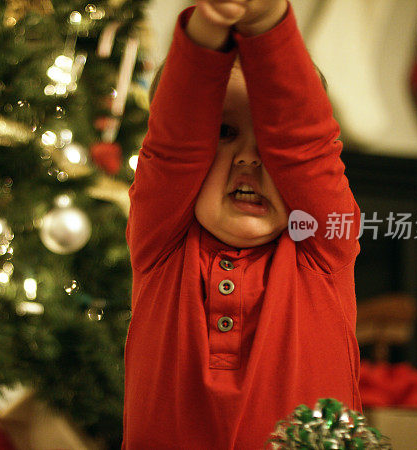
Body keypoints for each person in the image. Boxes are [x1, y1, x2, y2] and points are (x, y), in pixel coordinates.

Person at [122, 1, 362, 448]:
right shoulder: (162, 243)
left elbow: (306, 145)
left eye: (273, 143)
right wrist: (207, 29)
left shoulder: (322, 246)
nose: (250, 158)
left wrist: (267, 21)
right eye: (224, 133)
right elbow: (173, 146)